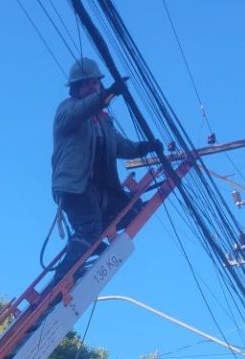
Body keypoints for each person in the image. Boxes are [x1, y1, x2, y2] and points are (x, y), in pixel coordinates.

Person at [50, 58, 162, 278]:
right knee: (89, 228)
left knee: (132, 208)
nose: (93, 87)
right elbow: (80, 111)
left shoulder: (103, 122)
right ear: (76, 88)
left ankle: (90, 241)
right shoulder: (67, 110)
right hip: (74, 187)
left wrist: (145, 147)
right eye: (87, 84)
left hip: (98, 191)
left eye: (96, 83)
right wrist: (105, 96)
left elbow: (121, 146)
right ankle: (62, 278)